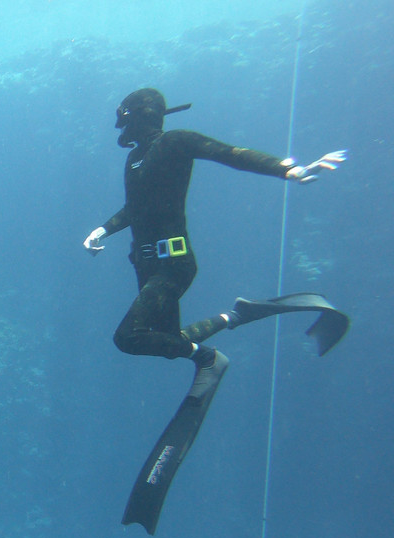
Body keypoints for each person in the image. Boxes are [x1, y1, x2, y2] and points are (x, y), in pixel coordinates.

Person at [83, 88, 347, 377]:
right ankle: (235, 315)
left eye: (124, 117)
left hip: (172, 265)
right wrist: (102, 230)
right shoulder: (134, 158)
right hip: (146, 265)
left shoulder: (175, 141)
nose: (121, 125)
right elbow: (134, 209)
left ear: (137, 115)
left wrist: (288, 169)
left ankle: (207, 358)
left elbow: (229, 154)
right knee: (169, 341)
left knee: (129, 337)